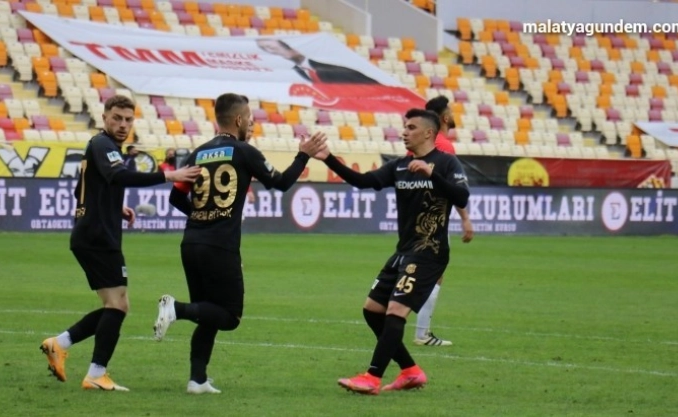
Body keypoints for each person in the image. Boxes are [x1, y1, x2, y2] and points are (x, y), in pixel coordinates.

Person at [153, 93, 327, 394]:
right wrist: (303, 155)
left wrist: (202, 217)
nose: (251, 124)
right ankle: (176, 309)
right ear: (238, 119)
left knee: (207, 311)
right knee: (230, 316)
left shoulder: (198, 153)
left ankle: (197, 380)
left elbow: (176, 197)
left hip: (191, 242)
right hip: (219, 245)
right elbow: (281, 183)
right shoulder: (244, 152)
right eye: (249, 118)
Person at [39, 95, 201, 392]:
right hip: (98, 237)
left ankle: (59, 344)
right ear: (104, 118)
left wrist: (115, 208)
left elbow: (82, 190)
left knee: (117, 305)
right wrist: (169, 174)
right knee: (118, 305)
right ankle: (95, 373)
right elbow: (120, 176)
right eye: (117, 118)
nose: (123, 124)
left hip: (95, 234)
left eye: (128, 119)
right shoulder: (103, 145)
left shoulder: (102, 147)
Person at [315, 108, 470, 395]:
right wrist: (328, 158)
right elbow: (363, 181)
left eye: (411, 128)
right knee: (372, 310)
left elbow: (462, 196)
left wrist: (432, 174)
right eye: (404, 127)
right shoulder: (399, 166)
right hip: (403, 251)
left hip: (429, 251)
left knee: (396, 310)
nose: (404, 132)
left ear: (428, 133)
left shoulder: (447, 163)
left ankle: (372, 378)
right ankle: (410, 371)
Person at [412, 96, 474, 347]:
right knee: (434, 274)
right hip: (434, 218)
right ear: (445, 118)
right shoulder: (444, 147)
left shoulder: (419, 143)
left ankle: (414, 328)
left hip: (415, 216)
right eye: (451, 112)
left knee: (415, 270)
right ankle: (421, 333)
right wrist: (465, 218)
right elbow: (451, 188)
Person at [256, 38, 380, 84]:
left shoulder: (335, 64)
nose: (270, 51)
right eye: (264, 49)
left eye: (270, 47)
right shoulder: (291, 72)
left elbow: (369, 83)